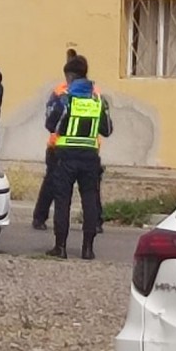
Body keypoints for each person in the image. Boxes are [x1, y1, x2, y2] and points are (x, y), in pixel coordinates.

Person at [45, 54, 112, 260]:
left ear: (71, 77)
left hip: (66, 157)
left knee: (63, 200)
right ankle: (88, 249)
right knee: (90, 200)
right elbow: (107, 129)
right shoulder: (99, 101)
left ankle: (61, 247)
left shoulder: (66, 100)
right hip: (90, 157)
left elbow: (51, 126)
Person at [32, 49, 105, 234]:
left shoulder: (62, 93)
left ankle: (46, 226)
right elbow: (105, 127)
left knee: (58, 193)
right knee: (90, 193)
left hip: (60, 147)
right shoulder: (96, 95)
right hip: (89, 149)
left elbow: (50, 121)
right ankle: (94, 228)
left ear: (69, 75)